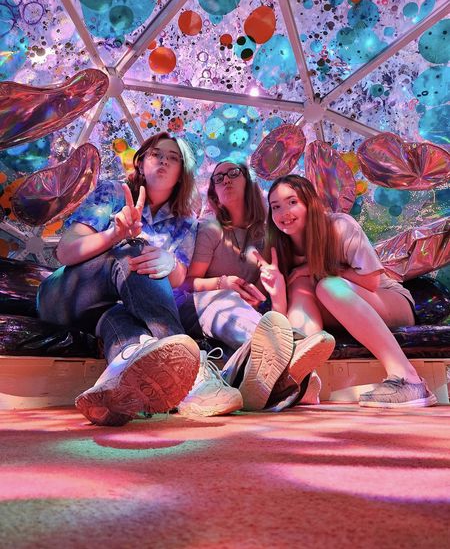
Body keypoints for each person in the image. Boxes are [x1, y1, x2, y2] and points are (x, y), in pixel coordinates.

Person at [37, 132, 201, 426]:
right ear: (141, 163)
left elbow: (178, 278)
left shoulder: (186, 222)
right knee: (134, 252)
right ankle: (192, 369)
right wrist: (116, 235)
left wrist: (169, 260)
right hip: (65, 295)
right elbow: (66, 251)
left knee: (129, 334)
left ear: (181, 174)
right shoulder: (113, 193)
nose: (163, 160)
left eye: (173, 157)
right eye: (155, 154)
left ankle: (118, 386)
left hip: (109, 313)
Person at [258, 174, 437, 408]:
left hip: (388, 301)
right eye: (276, 207)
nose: (284, 213)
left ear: (309, 202)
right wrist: (277, 291)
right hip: (337, 311)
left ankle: (409, 379)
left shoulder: (339, 226)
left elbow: (371, 282)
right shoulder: (279, 249)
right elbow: (285, 311)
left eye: (292, 202)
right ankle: (301, 379)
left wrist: (317, 268)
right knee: (300, 284)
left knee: (327, 285)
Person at [176, 161, 333, 417]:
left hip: (240, 315)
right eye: (218, 177)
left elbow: (266, 291)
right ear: (214, 193)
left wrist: (264, 291)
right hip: (198, 308)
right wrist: (222, 283)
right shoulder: (211, 228)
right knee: (226, 299)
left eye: (233, 173)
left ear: (248, 182)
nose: (225, 179)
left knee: (247, 352)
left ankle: (276, 386)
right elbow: (187, 283)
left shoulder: (266, 232)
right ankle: (293, 360)